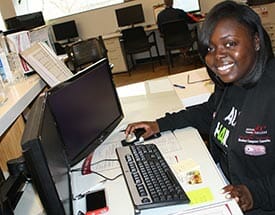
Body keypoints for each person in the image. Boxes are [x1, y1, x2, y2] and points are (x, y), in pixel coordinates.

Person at [125, 1, 275, 214]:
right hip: (224, 189)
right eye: (210, 48)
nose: (217, 56)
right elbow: (209, 112)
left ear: (256, 41)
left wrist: (253, 194)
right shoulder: (231, 84)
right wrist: (158, 124)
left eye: (230, 44)